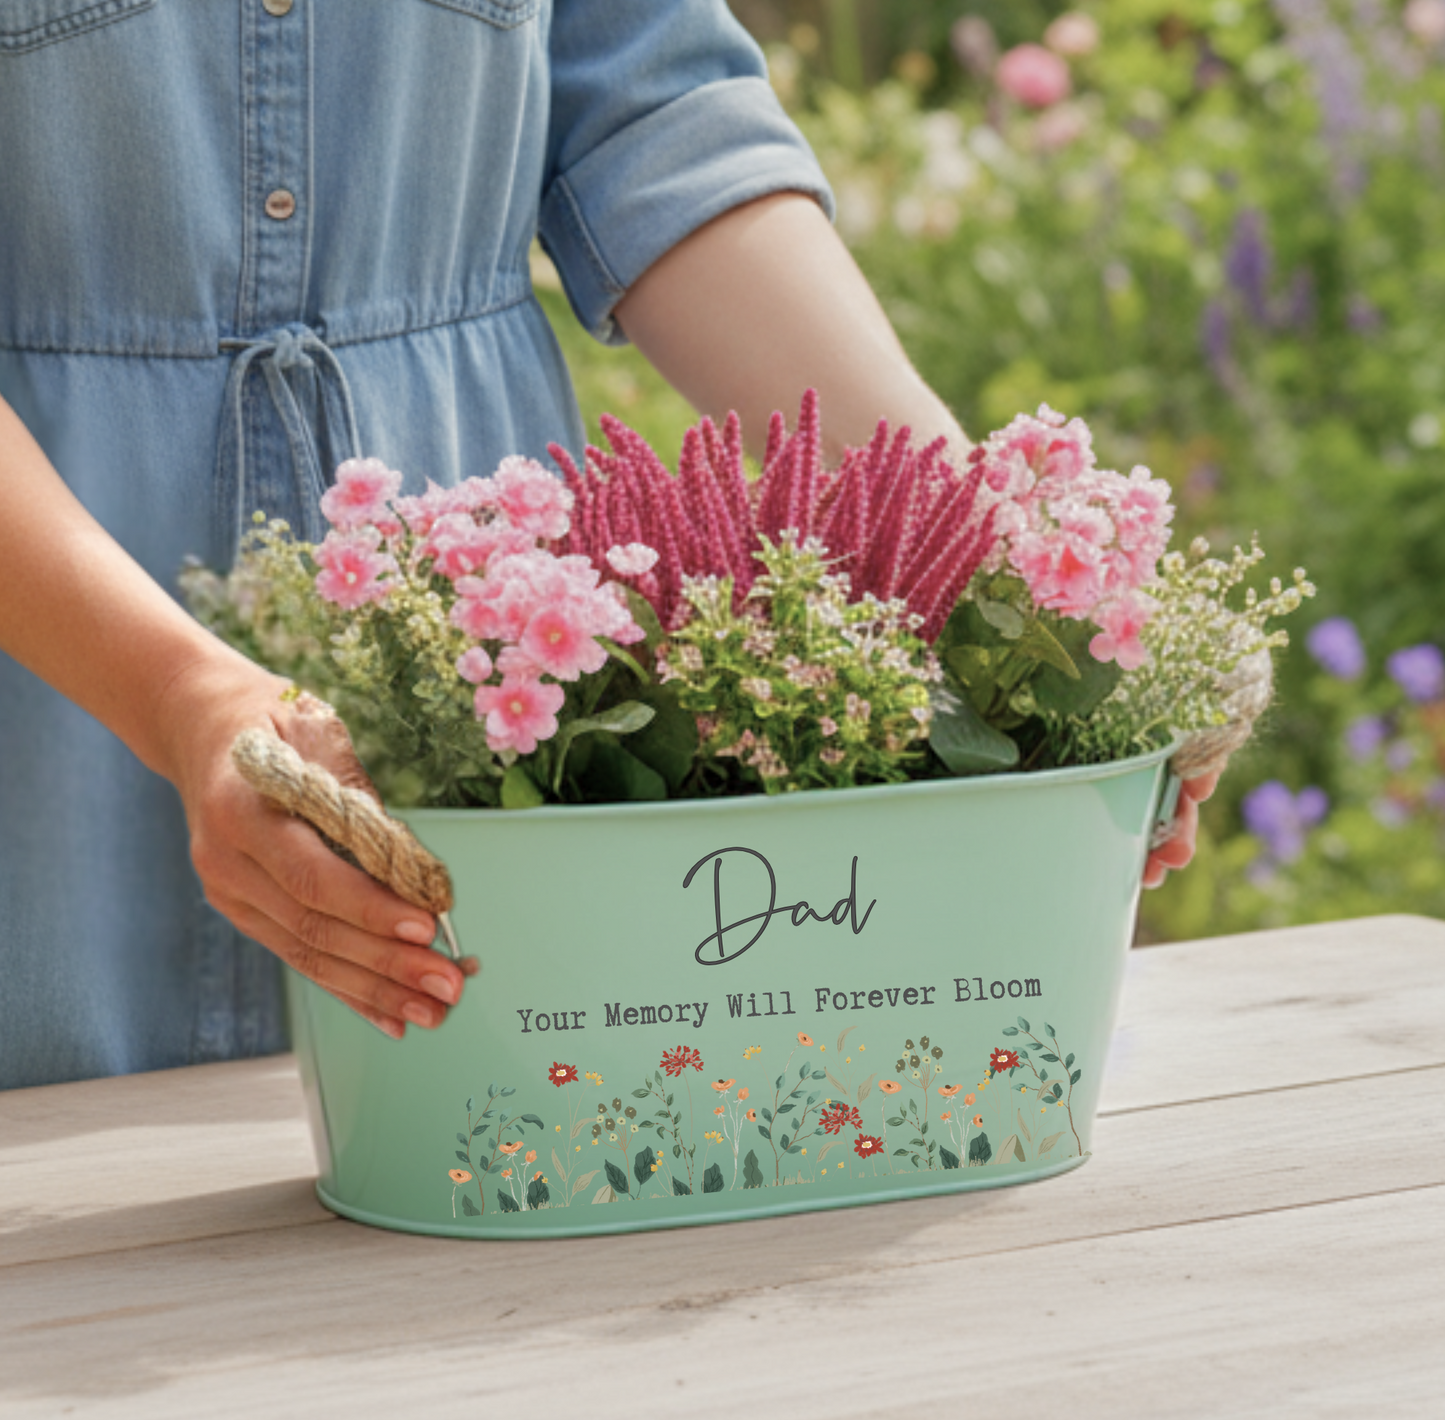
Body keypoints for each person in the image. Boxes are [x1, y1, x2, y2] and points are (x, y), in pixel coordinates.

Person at [0, 1, 1210, 1092]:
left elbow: (655, 119)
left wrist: (979, 554)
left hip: (478, 668)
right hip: (44, 662)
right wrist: (183, 692)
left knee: (518, 1204)